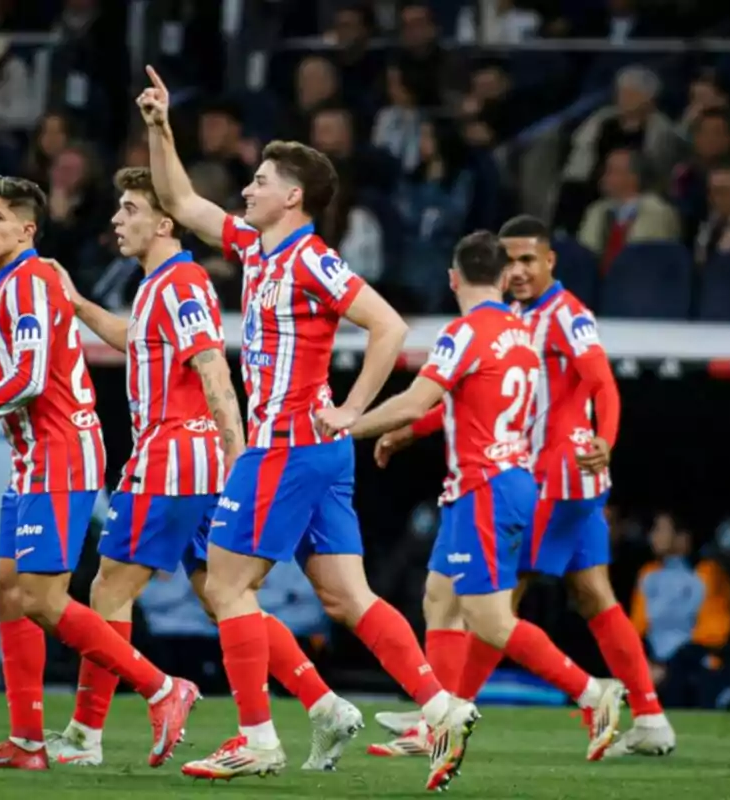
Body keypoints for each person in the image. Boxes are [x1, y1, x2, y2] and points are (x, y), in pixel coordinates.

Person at [134, 65, 476, 790]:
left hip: (285, 446)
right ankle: (441, 706)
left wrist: (354, 408)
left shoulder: (312, 259)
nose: (247, 188)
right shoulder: (260, 250)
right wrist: (161, 126)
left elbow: (388, 326)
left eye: (259, 179)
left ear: (292, 196)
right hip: (316, 457)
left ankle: (257, 737)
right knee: (346, 598)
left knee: (225, 588)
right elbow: (179, 200)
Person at [44, 166, 363, 771]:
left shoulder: (182, 283)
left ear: (165, 221)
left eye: (131, 209)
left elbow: (213, 366)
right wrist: (81, 305)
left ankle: (92, 733)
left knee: (109, 588)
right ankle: (322, 704)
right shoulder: (159, 286)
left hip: (172, 459)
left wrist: (237, 449)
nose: (117, 219)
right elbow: (137, 339)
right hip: (200, 464)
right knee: (225, 598)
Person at [370, 215, 673, 758]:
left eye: (529, 260)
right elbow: (471, 400)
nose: (518, 271)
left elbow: (601, 380)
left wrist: (606, 437)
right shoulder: (514, 324)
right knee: (589, 594)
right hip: (536, 474)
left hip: (553, 475)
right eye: (509, 262)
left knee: (493, 605)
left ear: (551, 260)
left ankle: (452, 711)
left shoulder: (565, 315)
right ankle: (649, 718)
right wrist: (409, 430)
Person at [0, 175, 195, 771]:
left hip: (61, 452)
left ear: (27, 228)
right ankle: (26, 744)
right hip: (32, 457)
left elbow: (30, 377)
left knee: (44, 600)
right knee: (7, 589)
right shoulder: (10, 284)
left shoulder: (28, 283)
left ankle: (161, 687)